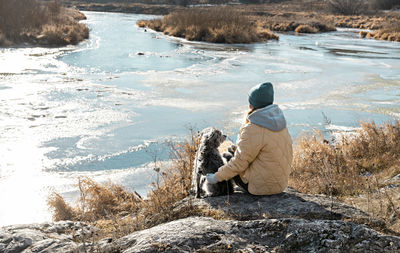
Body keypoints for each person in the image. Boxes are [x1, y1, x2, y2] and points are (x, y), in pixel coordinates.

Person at [206, 82, 293, 195]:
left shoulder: (253, 128)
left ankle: (218, 191)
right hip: (280, 184)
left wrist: (215, 177)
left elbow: (239, 164)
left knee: (227, 157)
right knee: (235, 154)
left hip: (260, 188)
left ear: (253, 104)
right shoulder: (279, 122)